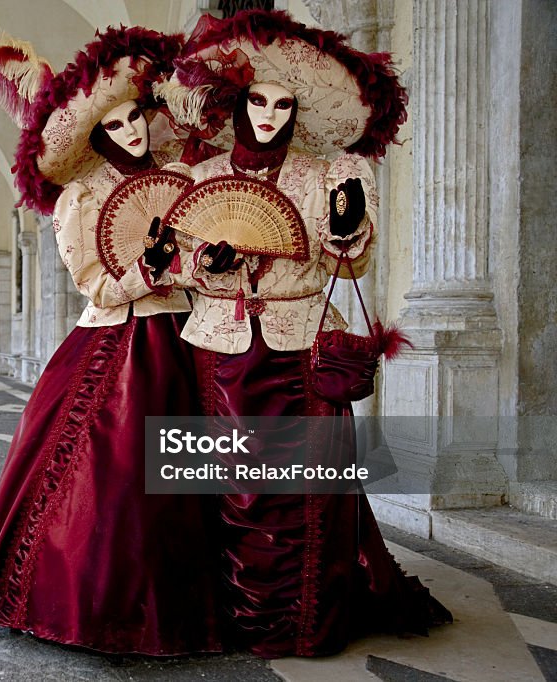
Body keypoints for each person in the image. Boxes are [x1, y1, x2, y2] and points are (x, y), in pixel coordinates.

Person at [145, 10, 452, 658]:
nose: (268, 113)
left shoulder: (322, 175)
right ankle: (234, 617)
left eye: (282, 103)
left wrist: (344, 220)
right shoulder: (202, 180)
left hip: (299, 344)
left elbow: (355, 260)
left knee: (309, 485)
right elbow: (173, 260)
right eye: (257, 99)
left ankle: (306, 617)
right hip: (221, 350)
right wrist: (209, 263)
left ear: (296, 112)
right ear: (237, 102)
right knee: (227, 487)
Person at [0, 27, 228, 655]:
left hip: (187, 339)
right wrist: (148, 269)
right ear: (95, 136)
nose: (131, 130)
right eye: (114, 124)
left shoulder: (179, 180)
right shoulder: (81, 197)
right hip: (120, 346)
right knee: (117, 472)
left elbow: (195, 262)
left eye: (135, 116)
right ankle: (101, 605)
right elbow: (97, 285)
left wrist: (195, 263)